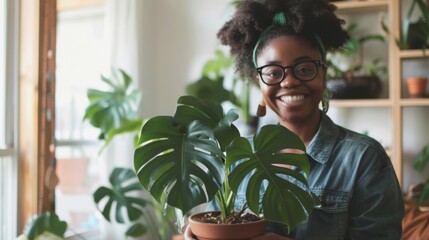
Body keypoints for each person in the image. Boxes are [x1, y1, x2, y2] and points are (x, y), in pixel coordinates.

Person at [185, 0, 404, 239]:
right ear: (259, 81)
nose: (289, 82)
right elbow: (215, 225)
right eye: (273, 72)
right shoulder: (238, 157)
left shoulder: (363, 159)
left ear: (323, 73)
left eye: (304, 69)